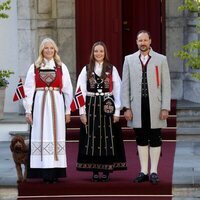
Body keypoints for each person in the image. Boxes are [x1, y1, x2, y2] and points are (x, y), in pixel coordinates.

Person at [121, 30, 171, 184]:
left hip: (155, 105)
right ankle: (143, 171)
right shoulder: (129, 60)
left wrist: (165, 107)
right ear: (136, 42)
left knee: (155, 137)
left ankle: (154, 171)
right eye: (139, 40)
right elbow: (125, 86)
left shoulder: (161, 59)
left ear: (150, 41)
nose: (142, 43)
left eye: (145, 40)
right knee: (141, 137)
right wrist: (126, 107)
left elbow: (166, 85)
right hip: (137, 106)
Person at [23, 38, 73, 183]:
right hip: (40, 104)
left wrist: (67, 110)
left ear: (55, 50)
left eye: (52, 48)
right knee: (41, 132)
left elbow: (68, 89)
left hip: (56, 103)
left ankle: (56, 171)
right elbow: (28, 90)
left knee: (56, 133)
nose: (49, 50)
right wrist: (28, 110)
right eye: (46, 48)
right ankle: (43, 171)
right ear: (42, 50)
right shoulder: (34, 67)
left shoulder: (61, 66)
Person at [76, 41, 127, 182]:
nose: (99, 54)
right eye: (96, 51)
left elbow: (118, 90)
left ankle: (106, 170)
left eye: (101, 51)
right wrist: (82, 112)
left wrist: (117, 111)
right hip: (91, 107)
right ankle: (94, 169)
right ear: (92, 53)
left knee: (107, 138)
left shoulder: (111, 69)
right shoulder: (86, 69)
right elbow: (80, 91)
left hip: (107, 106)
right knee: (92, 137)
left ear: (105, 53)